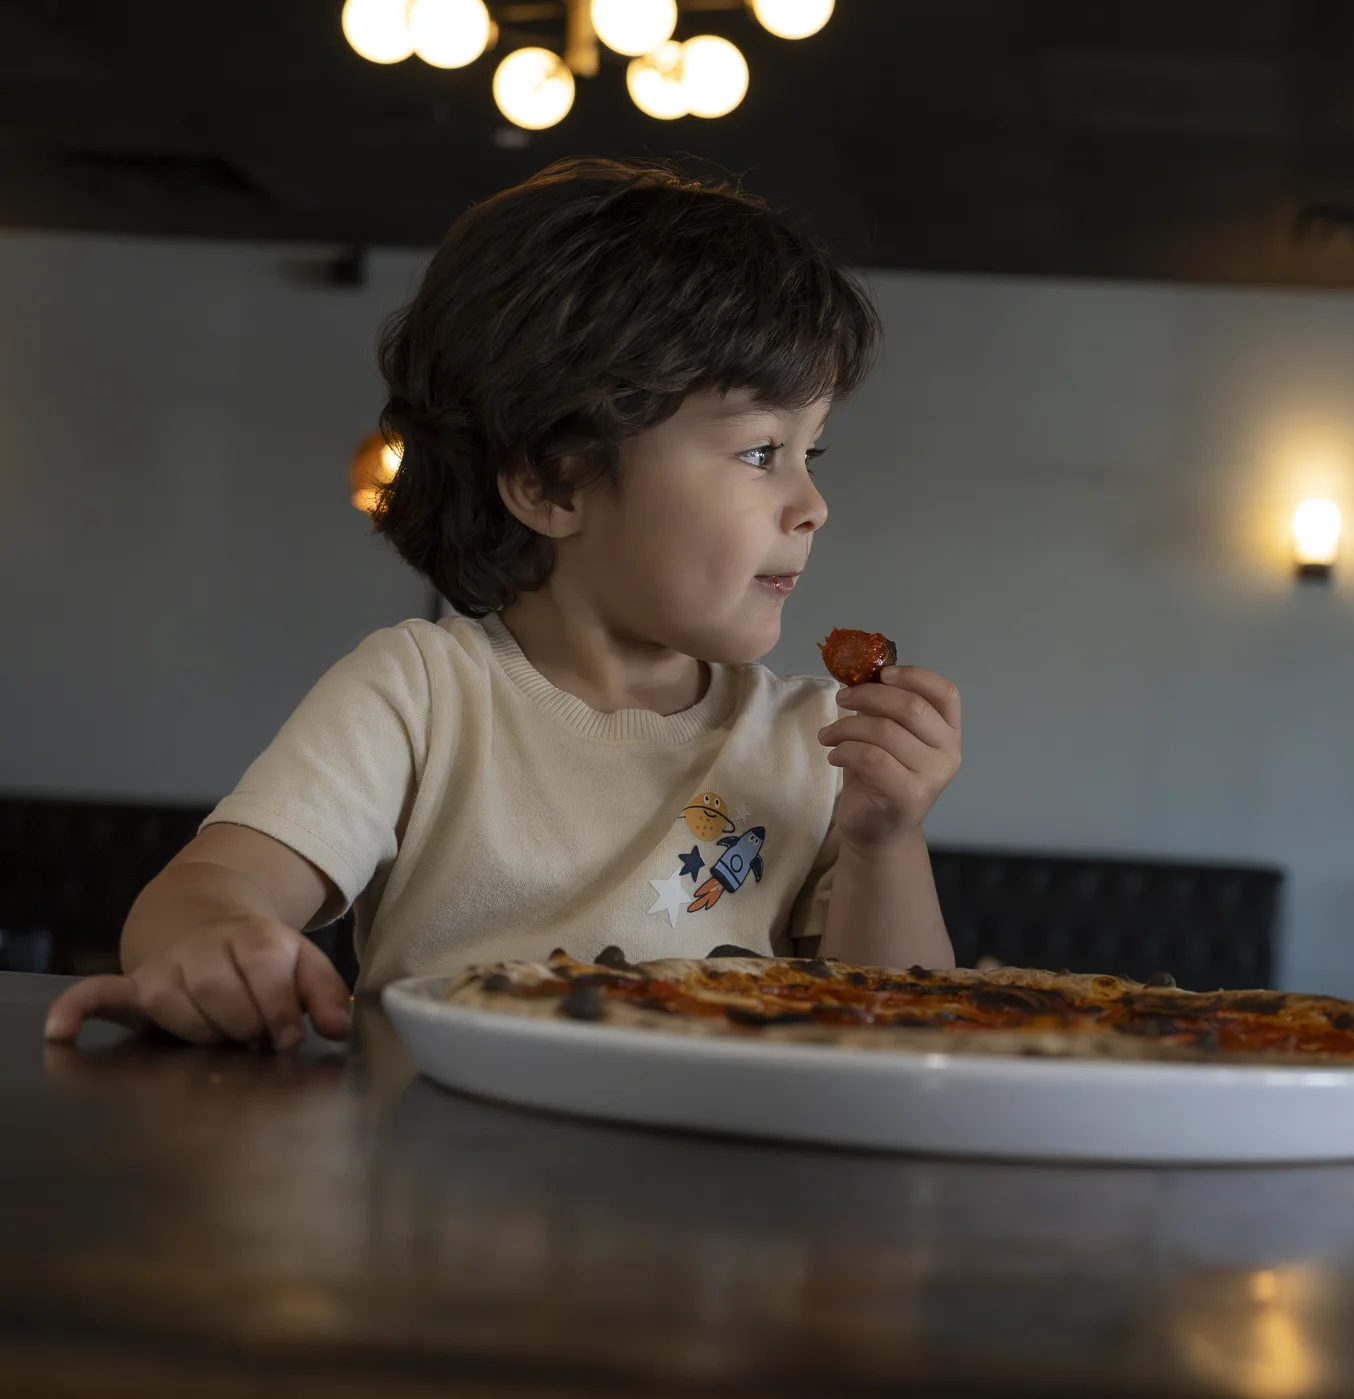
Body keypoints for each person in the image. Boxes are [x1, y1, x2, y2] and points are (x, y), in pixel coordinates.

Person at [45, 158, 962, 1048]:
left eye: (815, 454)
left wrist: (887, 839)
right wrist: (213, 941)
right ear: (555, 483)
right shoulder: (423, 692)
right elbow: (209, 887)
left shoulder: (813, 740)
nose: (813, 505)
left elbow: (900, 1023)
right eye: (762, 452)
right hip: (436, 1173)